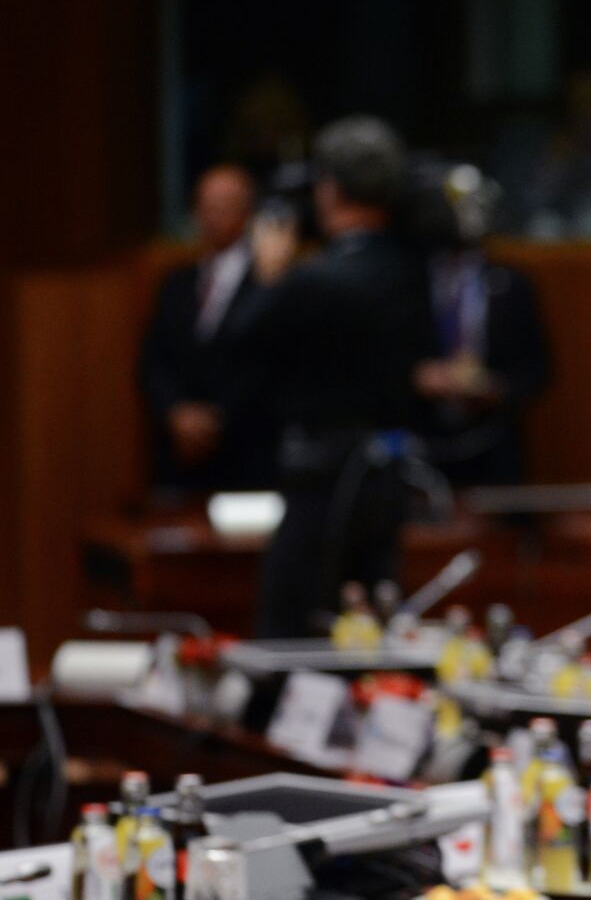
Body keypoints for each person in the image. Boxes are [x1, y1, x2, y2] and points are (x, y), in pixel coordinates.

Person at [237, 115, 437, 638]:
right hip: (388, 472)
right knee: (367, 629)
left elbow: (240, 342)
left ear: (330, 190)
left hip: (323, 477)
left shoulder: (321, 279)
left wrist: (268, 277)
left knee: (292, 628)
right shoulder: (412, 268)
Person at [405, 162, 551, 485]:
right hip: (422, 445)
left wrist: (496, 388)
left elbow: (539, 370)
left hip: (494, 444)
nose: (466, 216)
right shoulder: (409, 284)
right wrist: (421, 377)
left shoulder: (512, 285)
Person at [138, 164, 277, 492]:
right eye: (205, 206)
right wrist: (175, 412)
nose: (211, 216)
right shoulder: (176, 284)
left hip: (246, 456)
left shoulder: (269, 282)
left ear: (247, 213)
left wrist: (215, 421)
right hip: (179, 460)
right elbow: (153, 359)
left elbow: (269, 364)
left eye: (223, 206)